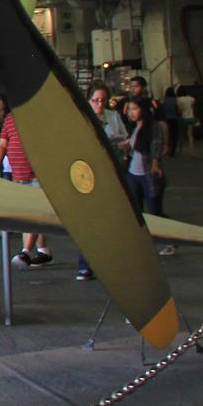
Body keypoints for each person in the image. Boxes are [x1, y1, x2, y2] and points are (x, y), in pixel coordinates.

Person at [0, 97, 50, 266]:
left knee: (34, 214)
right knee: (30, 214)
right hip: (18, 175)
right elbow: (2, 145)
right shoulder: (11, 119)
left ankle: (25, 252)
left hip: (37, 175)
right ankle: (41, 250)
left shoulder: (39, 119)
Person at [77, 85, 124, 279]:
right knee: (88, 221)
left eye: (103, 100)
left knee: (109, 219)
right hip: (87, 173)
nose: (99, 104)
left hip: (110, 172)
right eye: (96, 100)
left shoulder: (113, 117)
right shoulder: (81, 117)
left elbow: (123, 137)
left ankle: (109, 263)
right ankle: (85, 264)